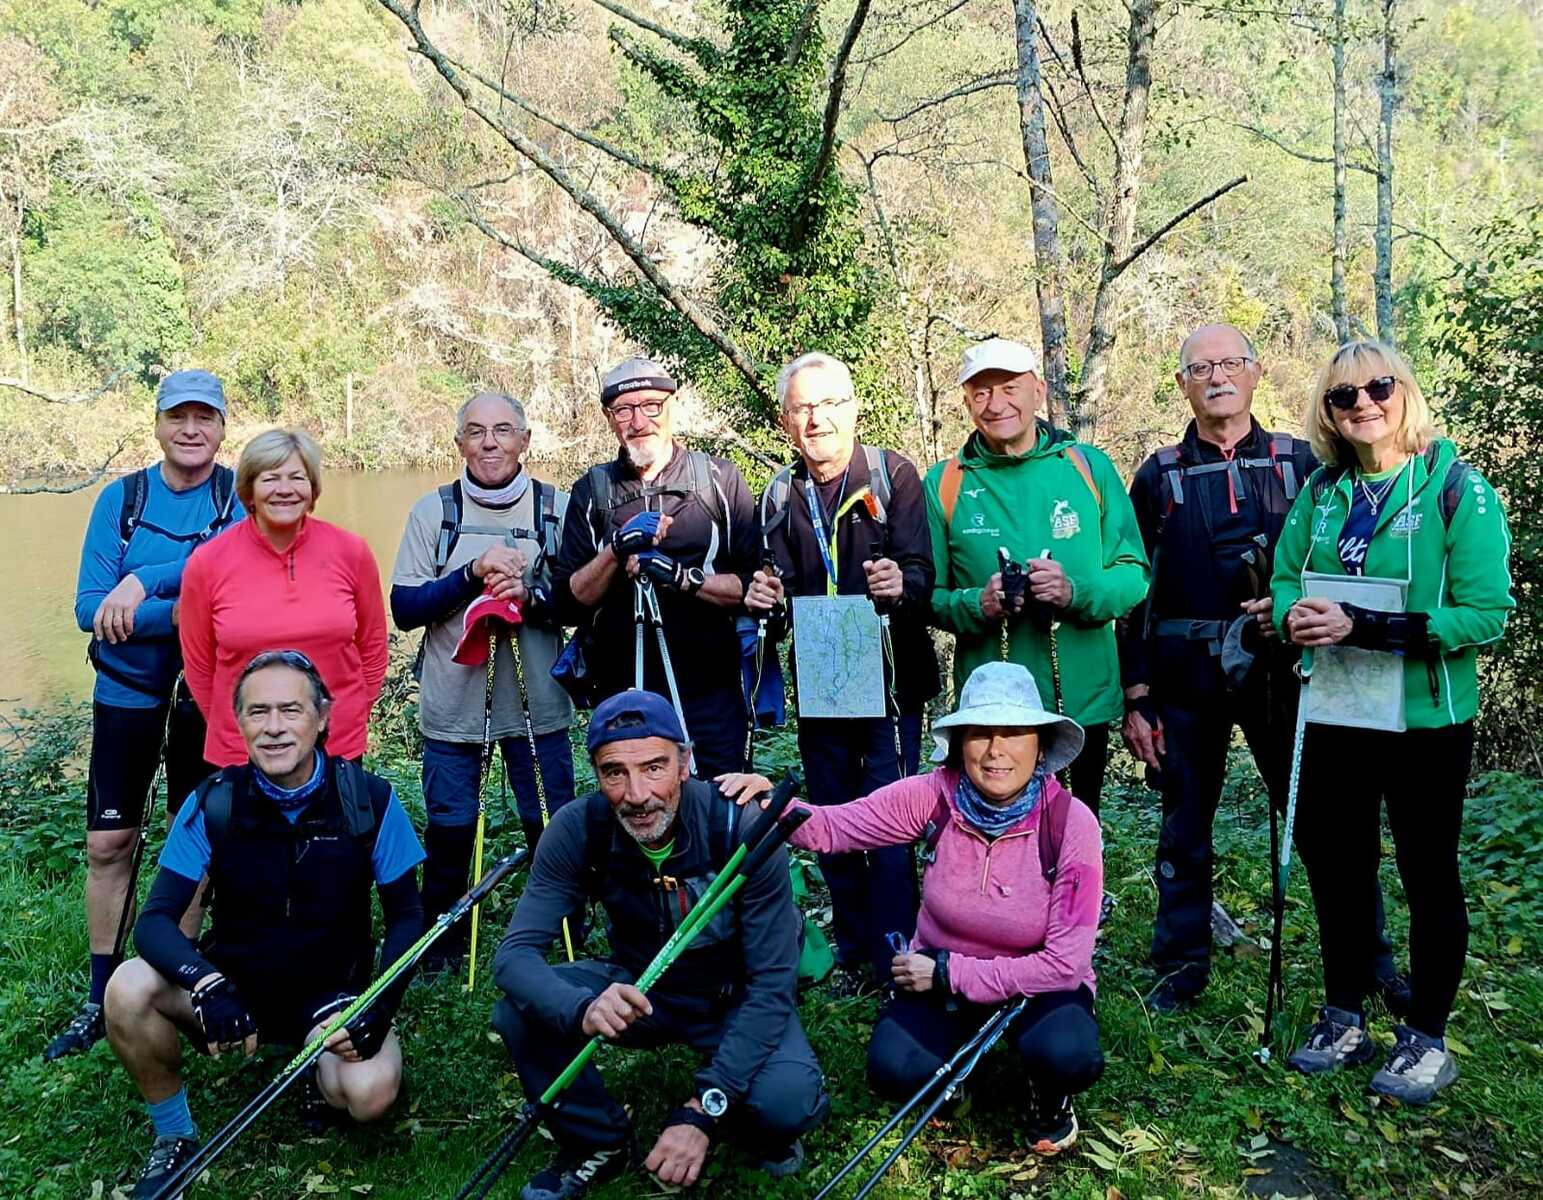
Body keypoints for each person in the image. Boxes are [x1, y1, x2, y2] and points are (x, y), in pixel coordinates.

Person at [1120, 324, 1407, 1014]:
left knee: (1324, 822)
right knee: (1183, 824)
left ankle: (1368, 959)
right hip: (1184, 676)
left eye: (1228, 363)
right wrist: (1136, 694)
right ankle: (1179, 966)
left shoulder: (1302, 462)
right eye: (1198, 367)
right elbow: (1133, 590)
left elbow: (1344, 561)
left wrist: (1290, 607)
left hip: (1286, 673)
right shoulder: (1158, 475)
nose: (1215, 376)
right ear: (1182, 383)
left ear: (1255, 372)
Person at [722, 660, 1105, 1154]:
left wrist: (948, 972)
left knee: (1067, 1052)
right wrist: (775, 804)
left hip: (1029, 986)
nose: (996, 751)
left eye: (1013, 733)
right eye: (980, 733)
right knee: (893, 1068)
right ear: (960, 741)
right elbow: (840, 826)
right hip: (940, 982)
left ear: (1040, 744)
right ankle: (954, 1077)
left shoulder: (1071, 825)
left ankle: (1048, 1098)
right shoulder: (934, 796)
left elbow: (1065, 965)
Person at [1272, 340, 1513, 1104]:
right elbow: (1283, 581)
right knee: (1338, 866)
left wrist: (1367, 627)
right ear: (1328, 414)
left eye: (1378, 387)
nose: (1363, 404)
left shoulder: (1456, 488)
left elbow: (1484, 614)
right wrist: (1293, 619)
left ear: (1403, 391)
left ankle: (1426, 1036)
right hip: (1336, 709)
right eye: (1343, 397)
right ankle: (1342, 1011)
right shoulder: (1321, 492)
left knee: (1425, 873)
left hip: (1424, 721)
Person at [103, 650, 425, 1198]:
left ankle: (316, 1075)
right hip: (233, 991)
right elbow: (154, 922)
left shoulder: (370, 800)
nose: (274, 728)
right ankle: (176, 1136)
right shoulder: (213, 802)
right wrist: (206, 981)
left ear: (322, 717)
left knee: (371, 1096)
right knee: (127, 987)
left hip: (331, 999)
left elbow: (408, 916)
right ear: (238, 723)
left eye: (290, 710)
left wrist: (381, 1003)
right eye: (257, 713)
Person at [491, 690, 827, 1200]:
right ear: (596, 773)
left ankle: (752, 1123)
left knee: (786, 1102)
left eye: (654, 767)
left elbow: (772, 984)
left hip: (733, 997)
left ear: (685, 763)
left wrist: (702, 1110)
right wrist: (582, 1008)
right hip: (640, 988)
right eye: (614, 773)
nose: (637, 794)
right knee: (520, 1011)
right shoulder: (579, 828)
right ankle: (596, 1141)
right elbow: (514, 956)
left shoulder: (742, 826)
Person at [48, 370, 244, 1062]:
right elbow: (86, 610)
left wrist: (142, 605)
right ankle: (101, 996)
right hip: (126, 692)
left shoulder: (236, 501)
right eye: (178, 417)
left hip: (207, 694)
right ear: (157, 424)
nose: (192, 430)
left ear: (223, 429)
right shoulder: (122, 500)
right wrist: (184, 610)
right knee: (109, 843)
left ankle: (174, 978)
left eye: (206, 419)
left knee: (192, 842)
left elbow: (231, 605)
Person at [746, 351, 936, 988]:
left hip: (889, 680)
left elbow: (923, 574)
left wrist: (898, 581)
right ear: (784, 420)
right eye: (803, 408)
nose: (817, 419)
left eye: (829, 405)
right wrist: (762, 597)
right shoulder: (778, 494)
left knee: (890, 816)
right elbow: (771, 589)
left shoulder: (893, 475)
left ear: (853, 410)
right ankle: (856, 950)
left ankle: (900, 952)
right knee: (828, 814)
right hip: (821, 683)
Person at [391, 390, 576, 972]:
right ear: (459, 444)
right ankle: (442, 944)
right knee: (450, 831)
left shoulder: (557, 508)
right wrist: (472, 575)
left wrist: (533, 596)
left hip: (538, 702)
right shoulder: (433, 513)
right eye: (475, 432)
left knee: (549, 824)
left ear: (525, 439)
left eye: (502, 431)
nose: (489, 442)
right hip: (452, 706)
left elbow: (585, 600)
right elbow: (405, 607)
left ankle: (556, 930)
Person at [924, 338, 1147, 814]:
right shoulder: (947, 482)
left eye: (1009, 388)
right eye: (981, 393)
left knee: (1074, 829)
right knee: (994, 833)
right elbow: (929, 595)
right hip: (990, 714)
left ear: (1039, 391)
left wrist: (1074, 592)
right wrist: (977, 604)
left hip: (1080, 699)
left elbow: (1133, 576)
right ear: (966, 402)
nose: (996, 403)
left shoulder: (1088, 467)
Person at [550, 357, 758, 779]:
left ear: (672, 405)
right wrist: (614, 548)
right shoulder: (594, 489)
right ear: (610, 419)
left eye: (651, 406)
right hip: (624, 692)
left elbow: (753, 588)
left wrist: (680, 577)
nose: (638, 421)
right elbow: (568, 603)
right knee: (635, 809)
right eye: (624, 410)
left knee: (718, 807)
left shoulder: (719, 479)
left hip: (710, 692)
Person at [180, 428, 388, 768]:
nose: (285, 489)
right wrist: (238, 727)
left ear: (312, 489)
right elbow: (200, 666)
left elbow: (373, 646)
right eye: (270, 478)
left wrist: (349, 714)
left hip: (337, 746)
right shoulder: (207, 563)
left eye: (297, 477)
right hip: (242, 751)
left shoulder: (352, 552)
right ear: (249, 490)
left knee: (340, 823)